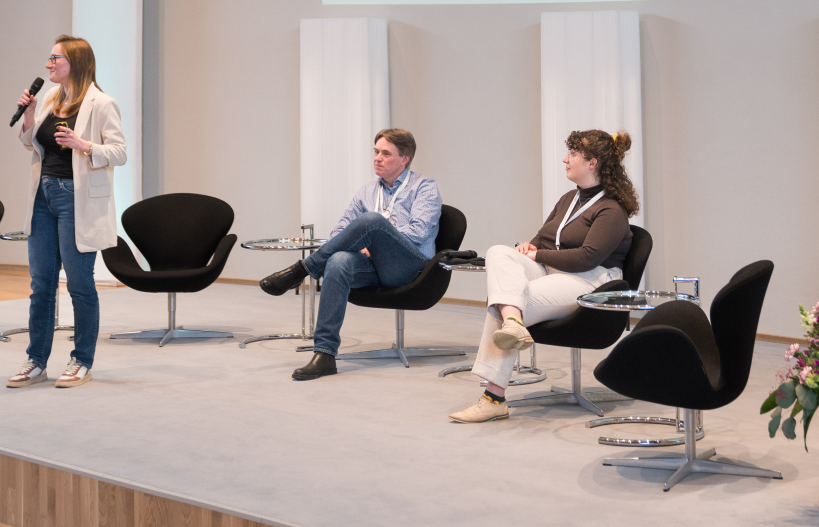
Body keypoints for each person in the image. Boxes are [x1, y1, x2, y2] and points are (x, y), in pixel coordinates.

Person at [449, 130, 636, 423]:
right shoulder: (568, 199)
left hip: (589, 281)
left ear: (592, 163)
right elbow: (543, 240)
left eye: (573, 154)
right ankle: (513, 324)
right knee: (499, 252)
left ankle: (493, 398)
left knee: (508, 299)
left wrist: (537, 255)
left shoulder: (611, 210)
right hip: (554, 270)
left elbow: (588, 257)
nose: (565, 159)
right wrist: (529, 247)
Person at [259, 129, 441, 381]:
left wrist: (376, 239)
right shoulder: (366, 192)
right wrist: (363, 243)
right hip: (373, 268)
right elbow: (339, 232)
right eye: (376, 152)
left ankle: (301, 271)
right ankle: (325, 354)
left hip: (410, 267)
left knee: (371, 221)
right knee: (338, 259)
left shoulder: (424, 187)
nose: (377, 158)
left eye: (386, 153)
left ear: (404, 159)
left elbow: (419, 232)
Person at [5, 35, 125, 389]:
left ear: (75, 62)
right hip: (42, 198)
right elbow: (32, 143)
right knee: (41, 284)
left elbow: (119, 152)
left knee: (79, 284)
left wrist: (83, 145)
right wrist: (29, 117)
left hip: (77, 200)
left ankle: (82, 360)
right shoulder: (48, 99)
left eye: (54, 58)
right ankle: (36, 360)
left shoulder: (102, 103)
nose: (48, 64)